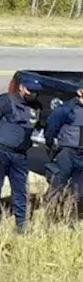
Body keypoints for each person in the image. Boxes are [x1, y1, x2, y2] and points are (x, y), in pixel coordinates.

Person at [0, 75, 43, 231]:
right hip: (0, 152)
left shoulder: (36, 107)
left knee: (20, 191)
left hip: (20, 156)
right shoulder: (5, 101)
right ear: (21, 87)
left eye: (36, 92)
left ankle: (21, 225)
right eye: (30, 90)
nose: (33, 94)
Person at [43, 85, 83, 221]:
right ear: (79, 92)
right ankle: (50, 219)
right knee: (57, 185)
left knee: (78, 190)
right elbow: (50, 129)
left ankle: (70, 219)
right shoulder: (66, 109)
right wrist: (52, 147)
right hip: (67, 152)